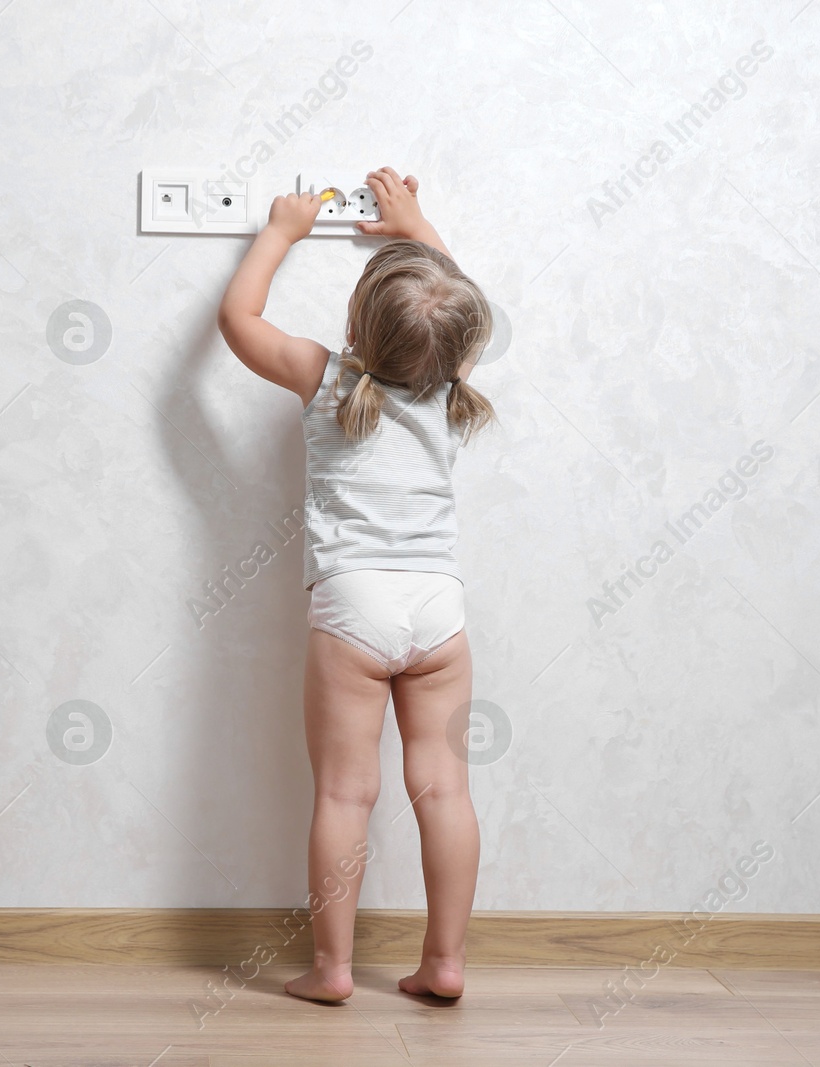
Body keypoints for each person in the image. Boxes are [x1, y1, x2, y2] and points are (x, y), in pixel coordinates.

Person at [216, 167, 498, 1002]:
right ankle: (445, 962)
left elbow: (238, 319)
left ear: (356, 321)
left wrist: (282, 230)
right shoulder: (453, 387)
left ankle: (334, 970)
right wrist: (417, 226)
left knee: (345, 790)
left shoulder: (326, 377)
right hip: (438, 609)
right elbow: (460, 308)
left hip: (354, 607)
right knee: (444, 787)